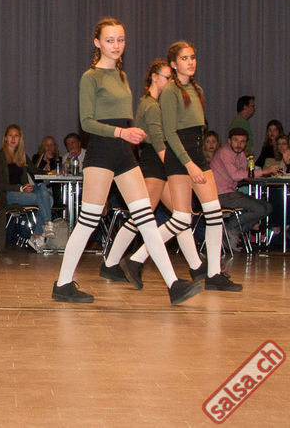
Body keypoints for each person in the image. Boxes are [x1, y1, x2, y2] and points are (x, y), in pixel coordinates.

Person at [52, 18, 200, 306]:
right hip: (102, 152)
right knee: (89, 219)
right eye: (110, 40)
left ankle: (173, 285)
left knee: (145, 217)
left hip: (123, 154)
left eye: (120, 39)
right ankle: (63, 283)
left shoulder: (122, 76)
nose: (116, 45)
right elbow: (86, 122)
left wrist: (134, 134)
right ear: (97, 43)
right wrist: (122, 132)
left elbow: (124, 118)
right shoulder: (90, 77)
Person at [101, 59, 205, 283]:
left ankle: (197, 267)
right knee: (141, 218)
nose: (171, 82)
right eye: (167, 77)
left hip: (158, 163)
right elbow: (158, 141)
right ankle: (111, 264)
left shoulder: (152, 103)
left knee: (181, 216)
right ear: (154, 78)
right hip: (155, 164)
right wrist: (179, 166)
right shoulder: (150, 105)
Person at [158, 40, 242, 291]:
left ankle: (214, 273)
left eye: (192, 57)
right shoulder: (170, 91)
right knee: (181, 219)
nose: (190, 62)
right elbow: (169, 133)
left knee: (214, 213)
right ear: (174, 64)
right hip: (179, 157)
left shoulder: (197, 90)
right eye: (184, 58)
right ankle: (136, 258)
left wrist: (197, 162)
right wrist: (189, 164)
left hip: (196, 153)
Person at [0, 124, 54, 251]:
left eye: (16, 136)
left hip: (25, 192)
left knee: (44, 191)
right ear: (5, 138)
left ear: (20, 138)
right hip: (9, 194)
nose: (13, 139)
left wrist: (50, 173)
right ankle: (41, 232)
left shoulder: (22, 155)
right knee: (46, 199)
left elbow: (35, 171)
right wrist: (19, 188)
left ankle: (40, 232)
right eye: (10, 135)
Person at [210, 128, 276, 247]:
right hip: (220, 194)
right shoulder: (225, 152)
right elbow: (236, 175)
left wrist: (255, 174)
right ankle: (229, 230)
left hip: (231, 193)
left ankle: (232, 232)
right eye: (236, 140)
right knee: (260, 209)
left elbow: (246, 174)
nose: (239, 144)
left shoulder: (240, 154)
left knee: (268, 207)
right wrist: (263, 171)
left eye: (242, 141)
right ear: (229, 141)